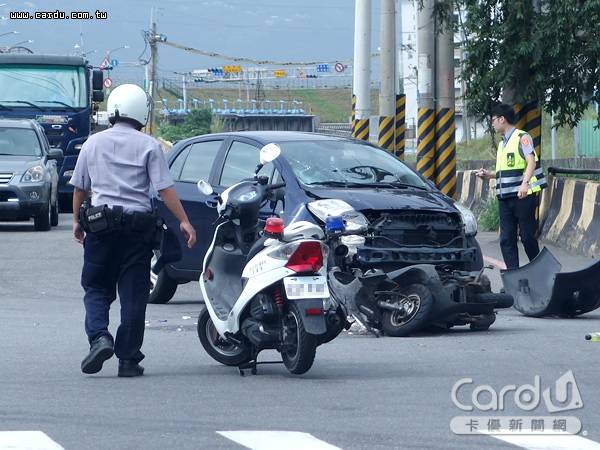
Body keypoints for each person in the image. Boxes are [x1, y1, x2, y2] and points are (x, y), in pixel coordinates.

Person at [70, 84, 196, 377]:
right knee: (133, 295)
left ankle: (100, 337)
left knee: (97, 287)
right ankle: (128, 360)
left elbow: (80, 188)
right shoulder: (149, 145)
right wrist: (184, 221)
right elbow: (164, 190)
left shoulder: (92, 143)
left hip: (100, 228)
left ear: (114, 109)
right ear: (141, 111)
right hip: (137, 231)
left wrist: (77, 221)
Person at [476, 103, 547, 269]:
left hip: (523, 196)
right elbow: (507, 170)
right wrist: (489, 175)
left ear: (502, 119)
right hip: (505, 198)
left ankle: (540, 270)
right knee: (506, 239)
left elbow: (531, 161)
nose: (492, 123)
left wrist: (525, 184)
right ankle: (513, 277)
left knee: (527, 237)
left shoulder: (522, 137)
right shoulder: (502, 144)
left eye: (493, 120)